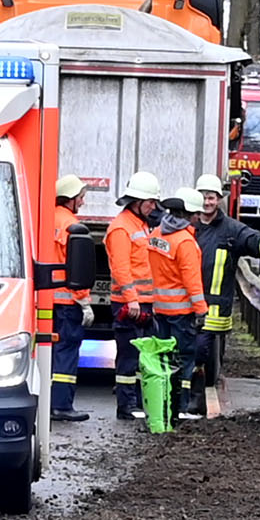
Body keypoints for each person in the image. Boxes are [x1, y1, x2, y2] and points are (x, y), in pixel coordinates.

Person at [194, 172, 260, 395]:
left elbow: (253, 241)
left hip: (214, 308)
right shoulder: (188, 226)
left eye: (211, 197)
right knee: (186, 351)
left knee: (201, 350)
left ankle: (197, 396)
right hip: (186, 304)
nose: (207, 202)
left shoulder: (230, 229)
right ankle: (188, 398)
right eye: (203, 197)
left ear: (219, 199)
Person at [104, 170, 163, 419]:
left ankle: (138, 401)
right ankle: (125, 406)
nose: (154, 206)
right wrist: (132, 299)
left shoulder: (139, 225)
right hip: (130, 305)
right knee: (128, 357)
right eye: (150, 202)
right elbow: (121, 268)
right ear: (137, 202)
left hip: (143, 303)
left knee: (143, 355)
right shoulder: (121, 229)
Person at [147, 186, 210, 420]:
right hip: (181, 312)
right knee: (184, 359)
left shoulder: (156, 234)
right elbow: (192, 281)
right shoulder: (185, 242)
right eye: (196, 215)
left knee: (163, 358)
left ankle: (162, 405)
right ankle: (181, 407)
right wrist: (201, 310)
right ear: (190, 214)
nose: (198, 219)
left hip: (159, 308)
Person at [49, 175, 91, 422]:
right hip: (68, 303)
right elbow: (77, 266)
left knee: (48, 352)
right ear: (71, 198)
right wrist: (84, 300)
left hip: (45, 300)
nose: (83, 202)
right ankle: (62, 405)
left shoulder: (45, 219)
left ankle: (46, 402)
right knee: (66, 353)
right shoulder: (71, 225)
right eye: (81, 197)